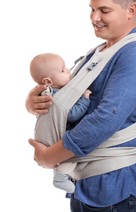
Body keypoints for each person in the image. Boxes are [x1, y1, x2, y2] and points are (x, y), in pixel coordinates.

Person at [26, 0, 136, 212]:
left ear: (131, 10)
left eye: (104, 10)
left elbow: (104, 120)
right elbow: (64, 99)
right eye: (92, 9)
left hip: (115, 188)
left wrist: (49, 157)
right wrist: (32, 101)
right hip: (84, 187)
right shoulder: (95, 54)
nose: (94, 17)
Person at [29, 52, 91, 196]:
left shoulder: (48, 94)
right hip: (52, 139)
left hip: (44, 136)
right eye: (63, 70)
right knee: (68, 160)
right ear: (48, 82)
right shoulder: (56, 99)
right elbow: (73, 114)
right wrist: (85, 99)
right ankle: (60, 178)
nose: (68, 71)